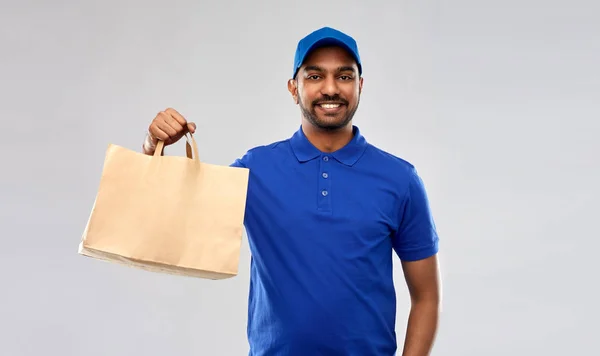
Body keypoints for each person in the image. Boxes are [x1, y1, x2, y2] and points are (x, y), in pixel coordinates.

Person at [142, 26, 441, 356]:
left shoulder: (399, 179)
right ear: (293, 88)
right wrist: (152, 149)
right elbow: (175, 224)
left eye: (344, 76)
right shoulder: (255, 169)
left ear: (360, 85)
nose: (330, 88)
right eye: (314, 76)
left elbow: (426, 296)